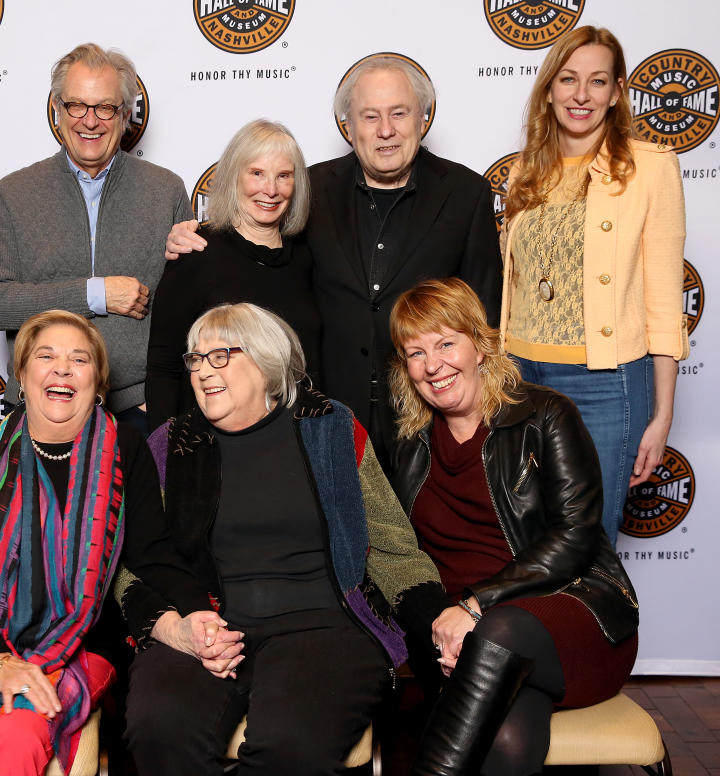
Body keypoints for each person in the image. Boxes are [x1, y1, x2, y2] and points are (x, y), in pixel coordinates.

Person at [120, 302, 448, 776]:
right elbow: (133, 562)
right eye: (195, 359)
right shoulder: (171, 444)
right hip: (207, 628)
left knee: (289, 753)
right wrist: (177, 628)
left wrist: (436, 619)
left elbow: (392, 545)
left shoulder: (329, 426)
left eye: (220, 356)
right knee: (159, 730)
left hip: (322, 629)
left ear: (265, 360)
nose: (203, 371)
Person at [164, 55, 502, 469]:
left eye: (399, 113)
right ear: (348, 125)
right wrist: (199, 234)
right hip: (330, 418)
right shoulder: (312, 189)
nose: (385, 130)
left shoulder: (467, 194)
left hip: (429, 417)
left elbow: (484, 317)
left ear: (423, 117)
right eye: (369, 116)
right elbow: (257, 245)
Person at [387, 278, 639, 776]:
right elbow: (401, 557)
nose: (432, 365)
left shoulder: (544, 416)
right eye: (415, 353)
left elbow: (576, 536)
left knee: (498, 632)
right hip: (464, 645)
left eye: (445, 343)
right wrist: (442, 627)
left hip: (572, 617)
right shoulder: (409, 445)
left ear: (480, 345)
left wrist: (474, 605)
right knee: (506, 741)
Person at [0, 310, 164, 775]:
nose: (62, 368)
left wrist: (191, 617)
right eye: (46, 356)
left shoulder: (126, 449)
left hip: (73, 645)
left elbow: (152, 560)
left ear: (98, 384)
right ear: (22, 376)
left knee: (17, 741)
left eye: (79, 359)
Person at [500, 26, 687, 546]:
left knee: (588, 549)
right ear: (550, 88)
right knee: (525, 544)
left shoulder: (650, 168)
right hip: (519, 380)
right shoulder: (523, 173)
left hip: (603, 384)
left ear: (617, 91)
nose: (581, 95)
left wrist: (663, 415)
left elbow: (666, 302)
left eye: (597, 81)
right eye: (568, 79)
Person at [0, 42, 193, 434]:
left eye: (105, 108)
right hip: (39, 406)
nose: (90, 121)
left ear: (125, 115)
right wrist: (95, 294)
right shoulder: (16, 191)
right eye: (77, 105)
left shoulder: (166, 190)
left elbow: (186, 311)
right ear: (57, 109)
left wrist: (157, 396)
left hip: (136, 410)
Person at [145, 119, 320, 430]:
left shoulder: (308, 257)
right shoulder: (197, 252)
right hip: (210, 447)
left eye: (283, 176)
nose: (270, 189)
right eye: (256, 173)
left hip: (294, 441)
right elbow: (164, 366)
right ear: (233, 178)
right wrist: (165, 452)